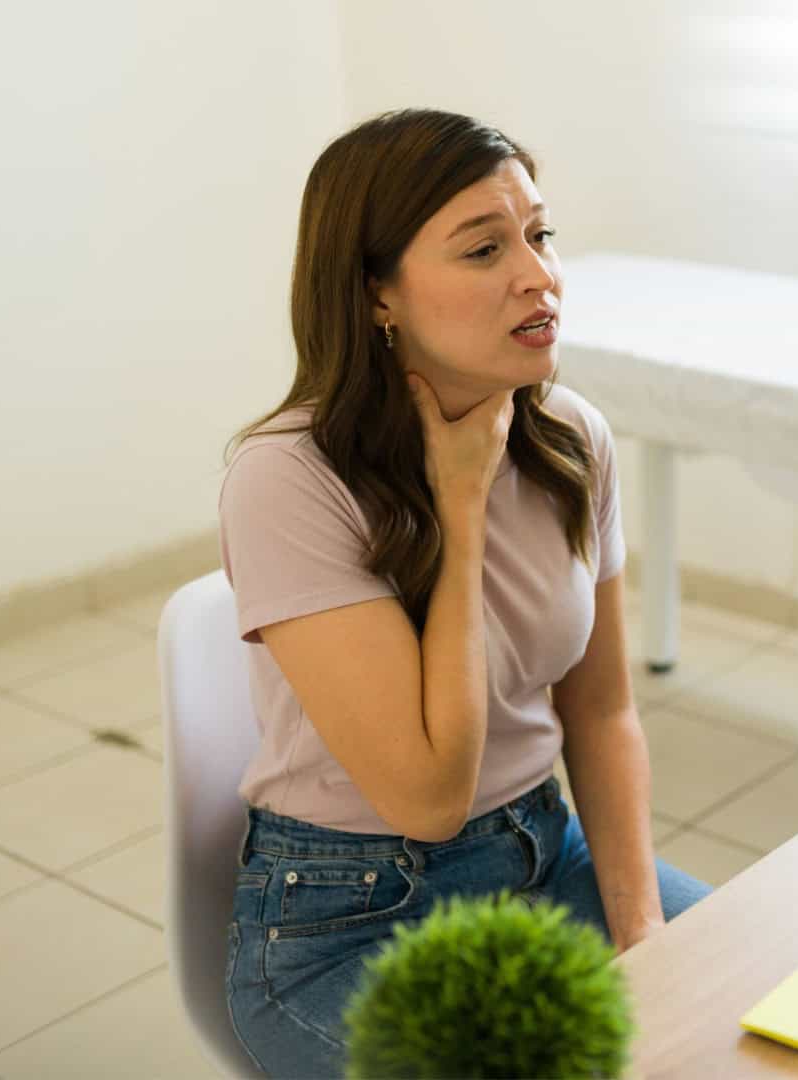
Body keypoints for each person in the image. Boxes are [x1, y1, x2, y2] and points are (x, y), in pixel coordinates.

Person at [220, 109, 710, 1077]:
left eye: (539, 234)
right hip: (346, 924)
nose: (538, 276)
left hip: (546, 857)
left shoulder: (573, 439)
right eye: (485, 249)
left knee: (756, 1010)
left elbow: (603, 711)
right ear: (378, 298)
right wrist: (461, 498)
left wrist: (643, 931)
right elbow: (432, 796)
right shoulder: (286, 479)